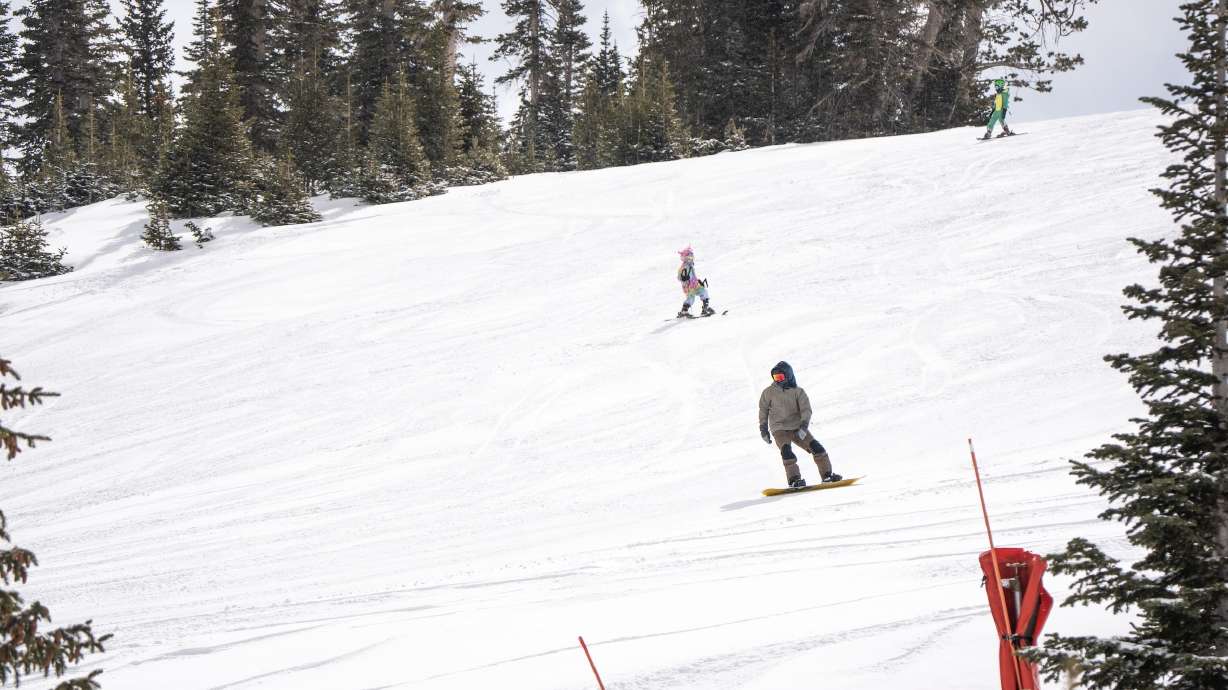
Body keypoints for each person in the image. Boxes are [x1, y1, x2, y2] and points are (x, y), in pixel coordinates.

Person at [758, 361, 842, 488]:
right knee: (787, 452)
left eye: (781, 377)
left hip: (797, 427)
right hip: (779, 428)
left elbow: (806, 409)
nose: (778, 380)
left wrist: (803, 426)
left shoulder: (798, 392)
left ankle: (827, 475)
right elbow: (763, 410)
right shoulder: (768, 392)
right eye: (775, 378)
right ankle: (794, 480)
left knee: (817, 448)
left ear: (789, 376)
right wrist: (763, 429)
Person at [676, 246, 715, 318]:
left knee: (703, 291)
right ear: (685, 258)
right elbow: (679, 277)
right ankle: (684, 311)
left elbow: (693, 275)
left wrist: (698, 281)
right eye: (689, 258)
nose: (691, 259)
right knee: (691, 298)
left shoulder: (691, 265)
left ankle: (705, 308)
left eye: (692, 257)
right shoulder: (684, 267)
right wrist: (683, 278)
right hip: (688, 286)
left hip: (695, 284)